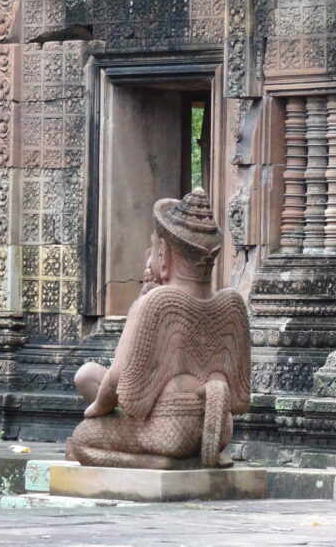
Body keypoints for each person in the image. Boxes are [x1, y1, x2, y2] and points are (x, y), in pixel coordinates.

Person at [70, 189, 251, 468]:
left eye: (154, 247)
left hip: (171, 433)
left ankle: (161, 462)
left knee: (82, 439)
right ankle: (173, 456)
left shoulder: (159, 303)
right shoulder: (233, 303)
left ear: (163, 254)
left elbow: (118, 379)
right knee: (89, 378)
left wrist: (97, 409)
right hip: (219, 431)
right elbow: (240, 397)